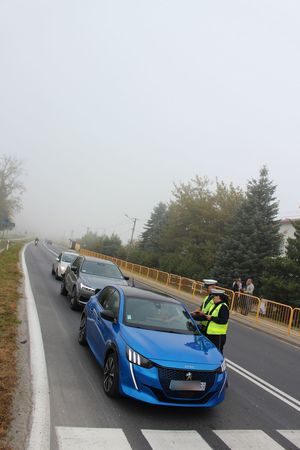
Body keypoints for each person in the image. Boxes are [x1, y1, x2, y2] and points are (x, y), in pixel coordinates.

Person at [201, 289, 229, 354]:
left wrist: (212, 318)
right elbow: (209, 316)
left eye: (213, 296)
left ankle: (220, 364)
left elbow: (224, 320)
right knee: (208, 353)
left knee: (217, 354)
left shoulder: (223, 307)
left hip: (218, 336)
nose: (212, 298)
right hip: (210, 334)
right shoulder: (214, 305)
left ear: (218, 297)